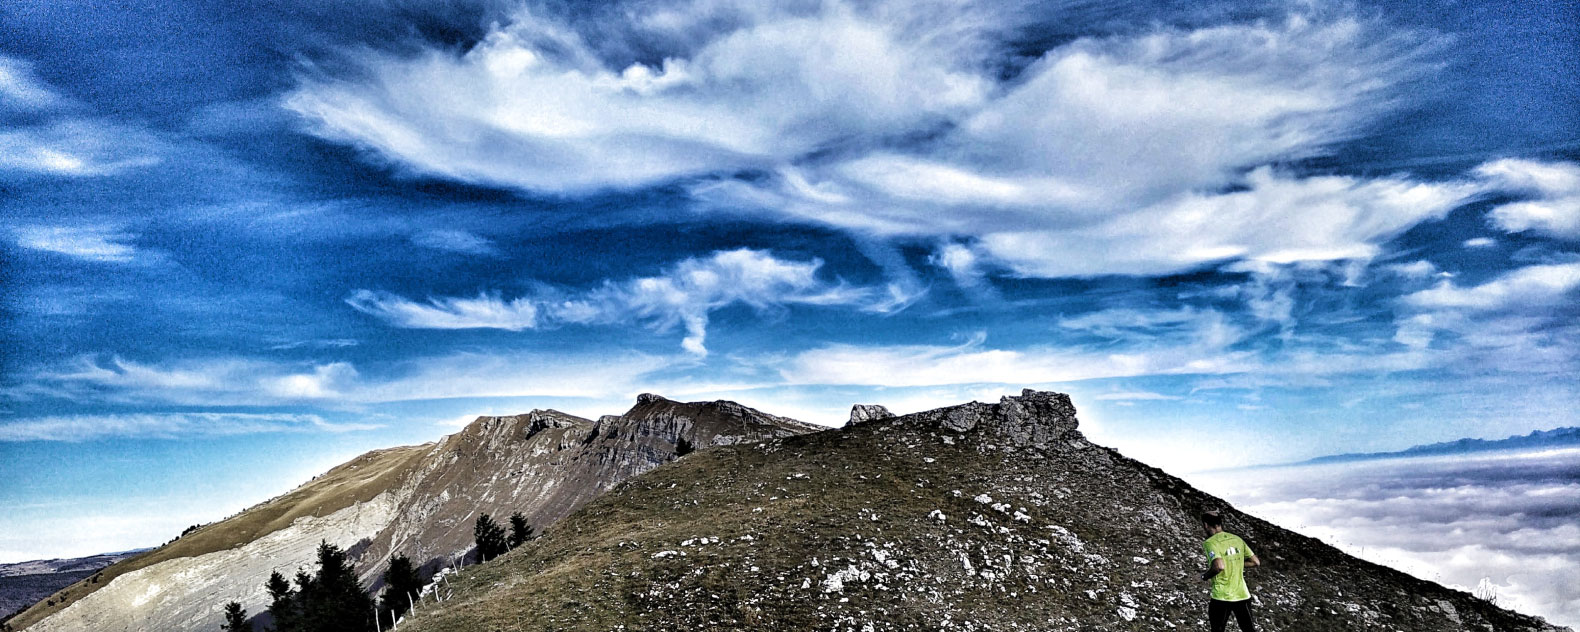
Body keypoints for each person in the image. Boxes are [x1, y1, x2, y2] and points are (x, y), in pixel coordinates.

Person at [1200, 511, 1260, 632]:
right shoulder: (1237, 539)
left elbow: (1219, 566)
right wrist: (1235, 563)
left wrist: (1204, 577)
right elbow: (1255, 562)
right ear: (1220, 523)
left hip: (1222, 596)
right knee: (1249, 629)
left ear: (1206, 525)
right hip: (1242, 594)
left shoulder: (1210, 542)